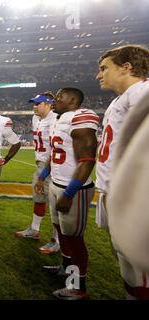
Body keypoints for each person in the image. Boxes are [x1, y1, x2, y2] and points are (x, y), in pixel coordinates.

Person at [96, 44, 149, 299]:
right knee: (126, 263)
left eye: (104, 68)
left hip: (132, 197)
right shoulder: (122, 99)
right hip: (112, 189)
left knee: (140, 269)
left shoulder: (142, 90)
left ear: (126, 67)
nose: (99, 75)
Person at [35, 88, 98, 300]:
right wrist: (43, 176)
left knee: (74, 239)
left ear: (72, 100)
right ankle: (65, 267)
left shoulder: (81, 117)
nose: (55, 100)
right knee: (60, 231)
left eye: (59, 97)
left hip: (74, 189)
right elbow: (54, 154)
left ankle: (78, 287)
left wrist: (69, 193)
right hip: (56, 183)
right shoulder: (58, 120)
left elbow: (87, 160)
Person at [15, 92, 60, 254]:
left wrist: (44, 171)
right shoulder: (35, 118)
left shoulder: (56, 118)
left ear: (48, 104)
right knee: (39, 198)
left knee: (55, 204)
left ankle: (57, 240)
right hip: (41, 163)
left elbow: (56, 147)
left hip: (54, 166)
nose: (34, 106)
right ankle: (34, 229)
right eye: (33, 103)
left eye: (37, 104)